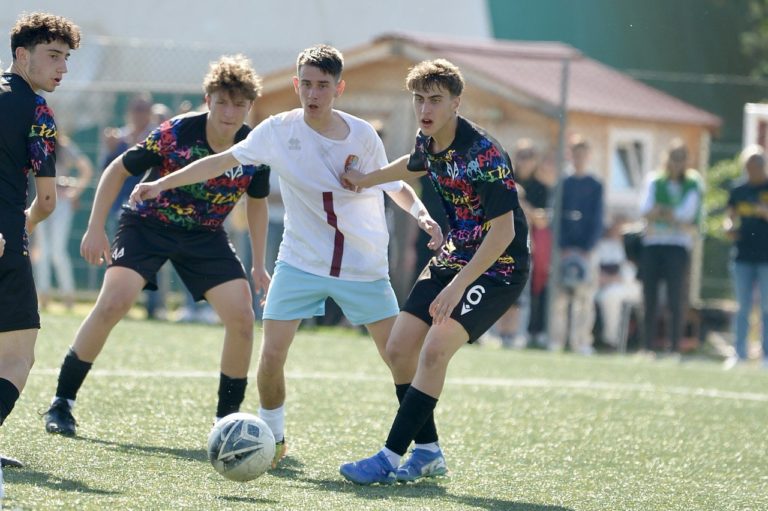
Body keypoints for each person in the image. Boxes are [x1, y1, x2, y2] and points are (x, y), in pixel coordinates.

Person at [129, 44, 443, 468]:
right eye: (307, 84)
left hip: (362, 264)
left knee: (397, 356)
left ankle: (428, 449)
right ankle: (272, 440)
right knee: (272, 355)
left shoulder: (362, 135)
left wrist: (422, 216)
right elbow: (220, 162)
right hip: (299, 261)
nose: (313, 94)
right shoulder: (277, 130)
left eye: (323, 85)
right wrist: (161, 184)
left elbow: (396, 186)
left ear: (339, 88)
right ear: (296, 84)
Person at [42, 55, 270, 439]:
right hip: (147, 224)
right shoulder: (177, 132)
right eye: (222, 102)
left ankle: (225, 423)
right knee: (114, 302)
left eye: (239, 104)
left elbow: (258, 202)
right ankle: (62, 402)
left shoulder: (255, 147)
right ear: (208, 99)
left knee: (242, 317)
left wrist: (259, 263)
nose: (230, 113)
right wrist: (95, 228)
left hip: (205, 235)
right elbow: (118, 170)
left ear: (250, 106)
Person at [337, 58, 529, 485]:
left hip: (498, 267)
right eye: (419, 99)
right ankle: (427, 452)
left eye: (436, 99)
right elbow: (413, 163)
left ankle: (388, 457)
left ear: (456, 103)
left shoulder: (484, 153)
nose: (425, 108)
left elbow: (504, 233)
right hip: (456, 254)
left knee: (434, 349)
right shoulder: (429, 140)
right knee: (398, 350)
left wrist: (459, 285)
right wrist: (364, 179)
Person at [0, 11, 81, 495]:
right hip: (5, 236)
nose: (62, 68)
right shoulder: (37, 111)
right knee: (16, 356)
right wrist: (22, 226)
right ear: (21, 55)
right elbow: (47, 201)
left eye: (65, 58)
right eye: (53, 55)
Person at [639, 139, 702, 355]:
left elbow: (687, 215)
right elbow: (645, 209)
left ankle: (674, 346)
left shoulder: (693, 184)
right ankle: (647, 346)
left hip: (678, 246)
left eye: (681, 159)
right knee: (649, 297)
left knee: (676, 298)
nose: (677, 163)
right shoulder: (654, 180)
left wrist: (662, 212)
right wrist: (671, 215)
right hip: (653, 243)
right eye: (674, 158)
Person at [550, 136, 604, 355]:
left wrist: (587, 249)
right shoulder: (563, 183)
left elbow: (598, 219)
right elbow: (556, 216)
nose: (579, 158)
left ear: (589, 156)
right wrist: (563, 246)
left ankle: (581, 341)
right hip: (563, 249)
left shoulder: (596, 185)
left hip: (586, 251)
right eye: (576, 154)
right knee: (559, 298)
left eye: (583, 154)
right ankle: (557, 339)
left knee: (584, 298)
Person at [33, 134, 94, 311]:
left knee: (58, 251)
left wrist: (74, 192)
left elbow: (86, 168)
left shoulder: (64, 146)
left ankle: (68, 295)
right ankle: (43, 296)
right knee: (43, 251)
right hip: (40, 200)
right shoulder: (36, 146)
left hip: (60, 202)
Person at [724, 145, 768, 369]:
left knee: (766, 308)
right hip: (742, 256)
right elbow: (730, 217)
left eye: (757, 166)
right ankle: (739, 353)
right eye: (750, 167)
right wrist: (728, 227)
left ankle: (766, 355)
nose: (753, 171)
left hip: (766, 257)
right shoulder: (738, 190)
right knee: (742, 307)